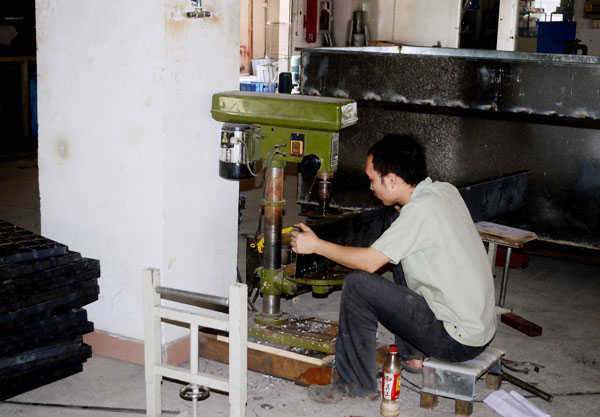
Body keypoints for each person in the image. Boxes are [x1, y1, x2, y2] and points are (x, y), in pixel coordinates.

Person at [290, 134, 497, 403]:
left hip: (457, 342)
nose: (371, 187)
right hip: (480, 329)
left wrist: (317, 245)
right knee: (397, 251)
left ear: (391, 180)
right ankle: (412, 355)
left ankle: (355, 384)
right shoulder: (443, 191)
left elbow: (369, 263)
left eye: (372, 179)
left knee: (358, 285)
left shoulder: (419, 213)